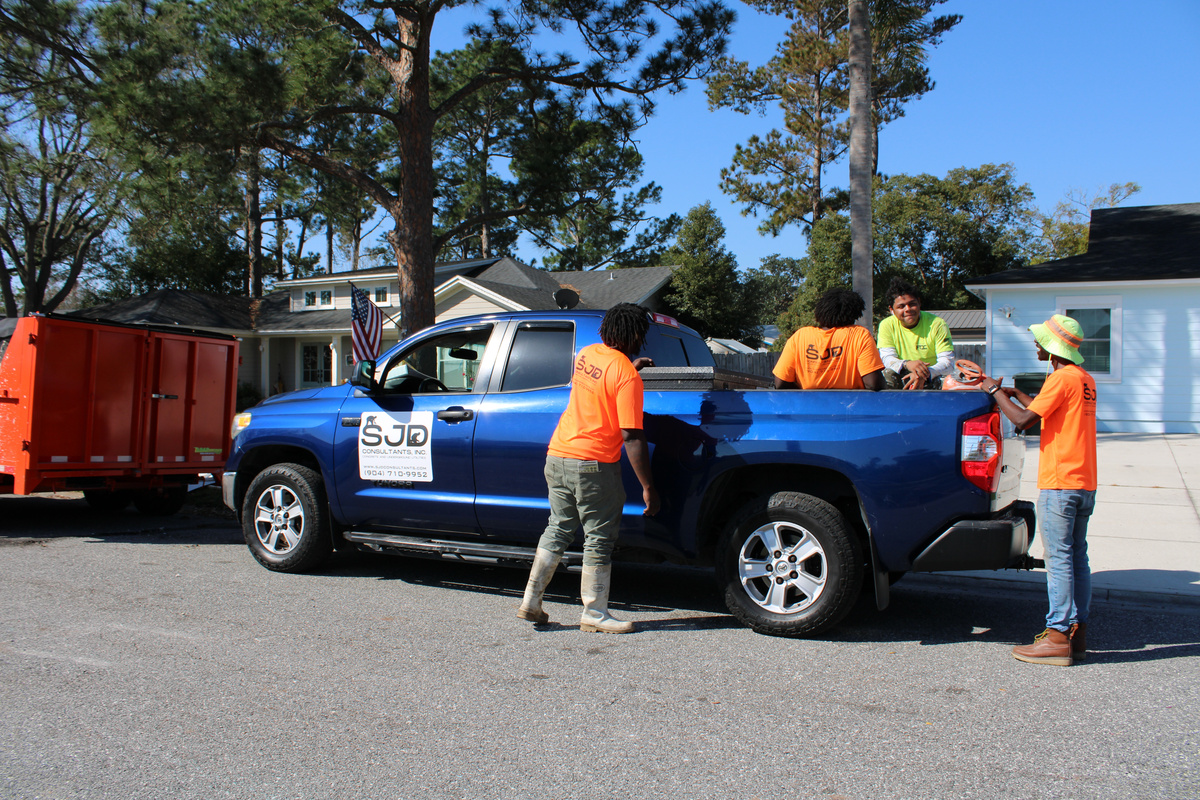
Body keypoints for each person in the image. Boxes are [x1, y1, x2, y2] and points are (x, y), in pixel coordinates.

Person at [516, 303, 660, 634]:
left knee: (559, 527)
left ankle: (531, 601)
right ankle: (594, 613)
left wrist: (629, 367)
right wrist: (648, 487)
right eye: (642, 335)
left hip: (558, 454)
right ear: (635, 334)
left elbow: (601, 382)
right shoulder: (625, 375)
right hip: (592, 465)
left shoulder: (587, 354)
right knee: (598, 537)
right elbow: (632, 436)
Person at [979, 314, 1097, 667]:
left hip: (1060, 483)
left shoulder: (1061, 378)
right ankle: (1077, 634)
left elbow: (1023, 421)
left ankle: (1056, 635)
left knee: (1058, 559)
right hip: (1084, 481)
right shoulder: (1083, 378)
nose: (1036, 344)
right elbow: (1047, 411)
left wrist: (994, 391)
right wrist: (1017, 393)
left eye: (1040, 340)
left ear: (1052, 346)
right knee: (1078, 557)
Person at [773, 287, 884, 391]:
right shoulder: (859, 335)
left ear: (821, 311)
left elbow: (780, 383)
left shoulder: (800, 336)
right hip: (849, 407)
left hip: (809, 408)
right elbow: (873, 383)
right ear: (854, 314)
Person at [876, 277, 954, 390]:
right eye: (901, 306)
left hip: (931, 374)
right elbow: (887, 358)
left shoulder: (937, 324)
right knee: (886, 374)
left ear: (919, 303)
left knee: (950, 380)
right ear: (891, 310)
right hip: (902, 372)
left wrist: (924, 373)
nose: (908, 309)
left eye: (912, 304)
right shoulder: (886, 325)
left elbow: (948, 362)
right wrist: (907, 364)